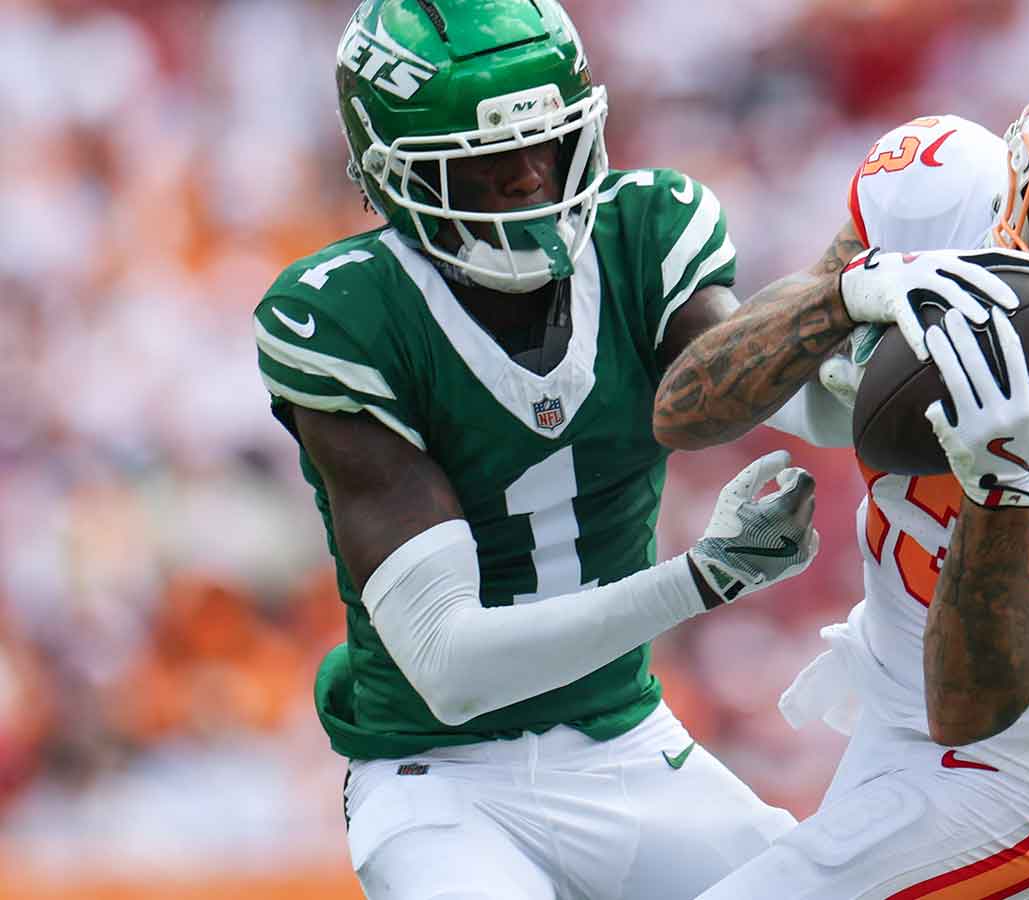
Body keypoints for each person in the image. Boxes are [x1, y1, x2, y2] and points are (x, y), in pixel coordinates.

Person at [655, 38, 1029, 899]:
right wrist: (847, 293)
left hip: (1020, 790)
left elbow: (971, 709)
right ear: (1018, 188)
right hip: (889, 726)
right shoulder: (936, 189)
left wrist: (1001, 489)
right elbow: (684, 414)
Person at [251, 2, 821, 898]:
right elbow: (451, 669)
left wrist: (858, 313)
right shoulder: (351, 315)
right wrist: (702, 578)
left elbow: (768, 387)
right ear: (396, 172)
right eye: (483, 161)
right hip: (440, 776)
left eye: (545, 145)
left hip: (627, 746)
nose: (526, 178)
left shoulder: (644, 232)